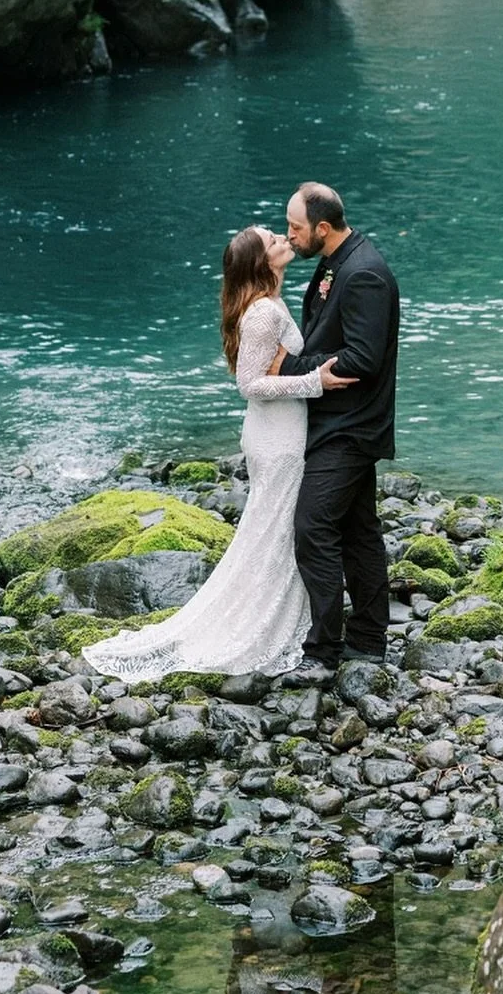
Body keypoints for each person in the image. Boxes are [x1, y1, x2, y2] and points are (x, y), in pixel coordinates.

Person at [82, 225, 355, 679]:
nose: (283, 240)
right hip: (279, 439)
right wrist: (316, 382)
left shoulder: (267, 304)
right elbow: (250, 384)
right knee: (278, 532)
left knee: (275, 532)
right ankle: (266, 627)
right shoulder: (263, 313)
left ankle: (287, 620)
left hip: (280, 431)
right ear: (261, 262)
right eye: (273, 241)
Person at [275, 181, 400, 683]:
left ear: (322, 228)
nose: (290, 236)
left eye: (296, 228)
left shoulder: (364, 272)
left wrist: (292, 367)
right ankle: (368, 639)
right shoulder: (336, 261)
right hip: (337, 423)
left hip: (351, 426)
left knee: (313, 528)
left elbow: (363, 360)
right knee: (358, 531)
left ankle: (323, 650)